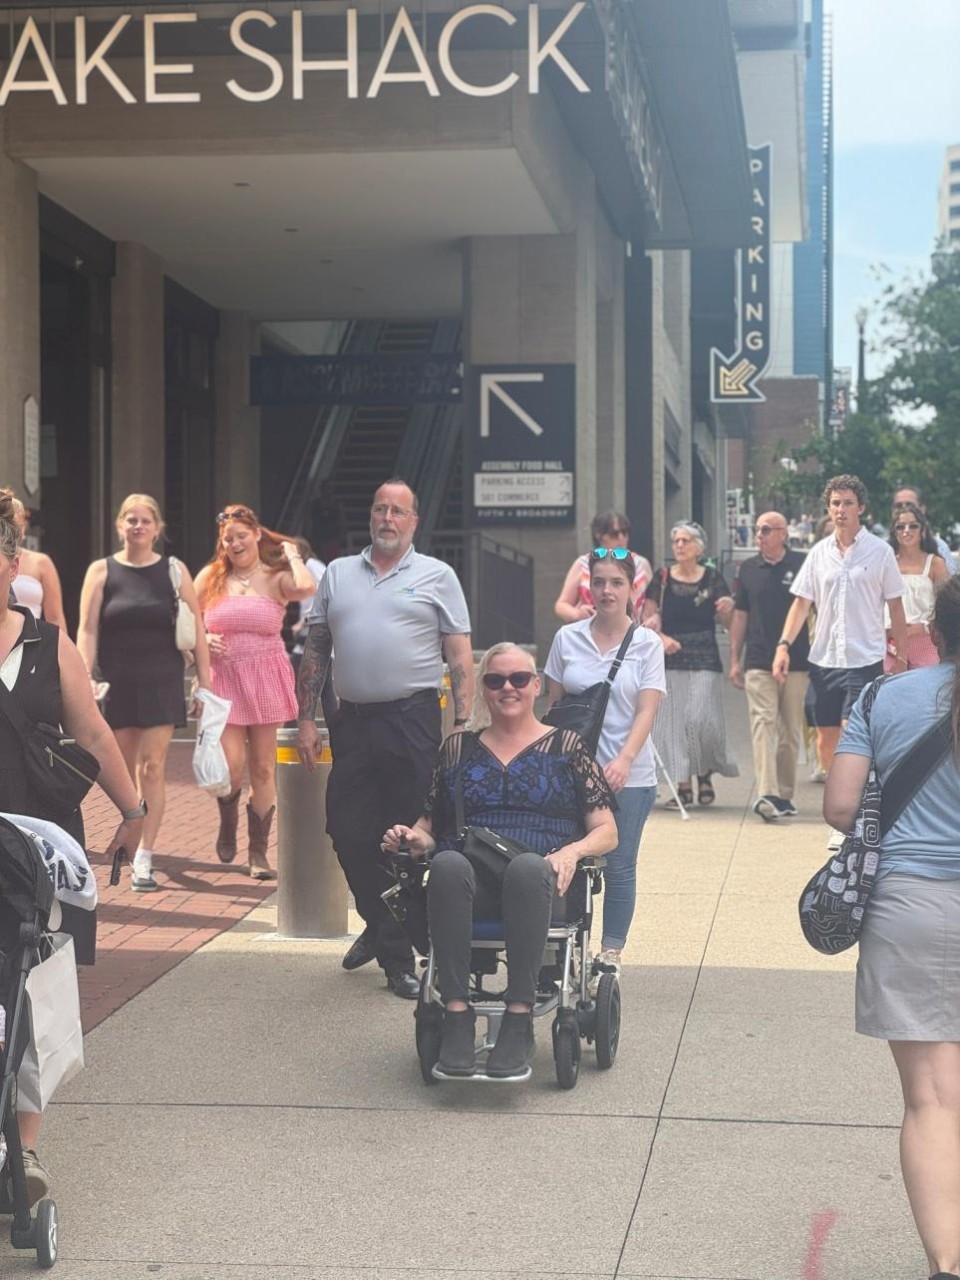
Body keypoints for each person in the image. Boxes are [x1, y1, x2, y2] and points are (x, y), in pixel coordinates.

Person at [0, 490, 146, 1204]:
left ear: (9, 563)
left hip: (35, 845)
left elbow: (90, 731)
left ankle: (24, 1153)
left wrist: (134, 808)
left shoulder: (45, 642)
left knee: (40, 991)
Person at [381, 643, 618, 1078]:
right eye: (495, 680)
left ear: (536, 685)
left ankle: (518, 1018)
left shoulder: (567, 746)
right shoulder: (458, 749)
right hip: (469, 878)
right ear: (483, 691)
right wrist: (411, 837)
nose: (507, 688)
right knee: (447, 865)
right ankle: (456, 1014)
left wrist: (572, 850)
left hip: (540, 880)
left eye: (519, 679)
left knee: (529, 867)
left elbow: (607, 830)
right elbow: (431, 826)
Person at [824, 575, 960, 1280]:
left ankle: (947, 1262)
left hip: (908, 906)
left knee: (933, 1100)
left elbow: (842, 808)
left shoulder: (882, 696)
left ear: (935, 628)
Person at [296, 479, 474, 1000]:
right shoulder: (337, 574)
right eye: (379, 509)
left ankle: (396, 957)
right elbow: (317, 650)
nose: (387, 518)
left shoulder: (437, 576)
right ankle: (380, 923)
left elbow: (460, 655)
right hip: (349, 721)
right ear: (369, 517)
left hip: (412, 721)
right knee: (347, 831)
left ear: (414, 522)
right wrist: (307, 718)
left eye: (398, 511)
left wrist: (461, 726)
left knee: (407, 837)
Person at [77, 494, 211, 892]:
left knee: (152, 767)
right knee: (122, 771)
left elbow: (197, 628)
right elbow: (87, 629)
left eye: (145, 520)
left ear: (157, 527)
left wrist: (205, 681)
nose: (137, 526)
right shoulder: (101, 571)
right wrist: (84, 678)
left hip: (162, 678)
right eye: (130, 520)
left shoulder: (174, 570)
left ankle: (144, 856)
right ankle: (130, 834)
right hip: (118, 681)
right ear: (119, 525)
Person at [544, 550, 664, 969]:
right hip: (572, 775)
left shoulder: (647, 644)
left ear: (631, 589)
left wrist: (625, 760)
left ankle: (610, 951)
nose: (607, 590)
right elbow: (554, 706)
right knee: (566, 860)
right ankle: (565, 945)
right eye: (599, 582)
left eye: (616, 582)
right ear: (588, 587)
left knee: (618, 865)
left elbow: (647, 710)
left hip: (627, 777)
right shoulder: (567, 638)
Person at [195, 505, 316, 880]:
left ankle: (258, 852)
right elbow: (184, 619)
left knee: (263, 767)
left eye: (241, 536)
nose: (234, 543)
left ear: (257, 535)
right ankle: (228, 816)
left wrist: (293, 554)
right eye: (228, 538)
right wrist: (203, 639)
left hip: (266, 675)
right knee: (231, 766)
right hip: (224, 679)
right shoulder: (210, 577)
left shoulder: (276, 577)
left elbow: (307, 586)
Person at [773, 476, 909, 802]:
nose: (841, 509)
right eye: (835, 503)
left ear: (860, 507)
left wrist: (901, 658)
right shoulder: (819, 553)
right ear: (828, 508)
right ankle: (841, 804)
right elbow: (802, 603)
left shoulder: (880, 553)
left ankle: (857, 806)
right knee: (825, 737)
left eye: (848, 503)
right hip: (824, 662)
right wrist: (783, 646)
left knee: (854, 731)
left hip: (864, 660)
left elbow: (896, 605)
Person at [643, 521, 737, 808]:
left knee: (701, 719)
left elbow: (727, 623)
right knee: (676, 724)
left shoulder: (712, 578)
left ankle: (704, 772)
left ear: (699, 547)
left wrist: (728, 610)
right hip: (671, 657)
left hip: (705, 655)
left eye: (686, 541)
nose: (680, 546)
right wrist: (661, 637)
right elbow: (645, 623)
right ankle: (683, 785)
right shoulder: (662, 578)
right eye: (676, 541)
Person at [729, 511, 810, 821]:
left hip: (797, 659)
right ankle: (767, 792)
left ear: (783, 533)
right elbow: (740, 615)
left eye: (765, 529)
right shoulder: (748, 568)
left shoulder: (802, 564)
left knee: (790, 730)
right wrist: (735, 658)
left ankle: (785, 794)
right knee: (763, 723)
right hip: (759, 659)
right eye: (757, 529)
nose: (759, 535)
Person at [554, 511, 654, 624]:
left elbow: (653, 604)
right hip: (592, 633)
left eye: (625, 532)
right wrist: (576, 613)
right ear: (599, 535)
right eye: (614, 534)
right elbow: (561, 605)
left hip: (634, 634)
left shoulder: (641, 564)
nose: (621, 538)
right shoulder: (583, 564)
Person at [884, 503, 950, 672]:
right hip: (888, 643)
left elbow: (948, 605)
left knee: (926, 694)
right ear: (894, 531)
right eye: (900, 526)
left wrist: (926, 627)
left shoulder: (936, 564)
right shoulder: (885, 563)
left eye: (913, 525)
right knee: (888, 693)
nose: (907, 530)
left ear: (923, 529)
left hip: (925, 640)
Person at [2, 492, 65, 628]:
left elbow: (55, 618)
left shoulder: (41, 562)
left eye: (17, 524)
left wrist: (58, 646)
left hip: (34, 638)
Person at [892, 484, 957, 574]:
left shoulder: (940, 547)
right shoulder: (883, 548)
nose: (904, 508)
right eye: (898, 506)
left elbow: (950, 584)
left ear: (922, 509)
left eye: (909, 505)